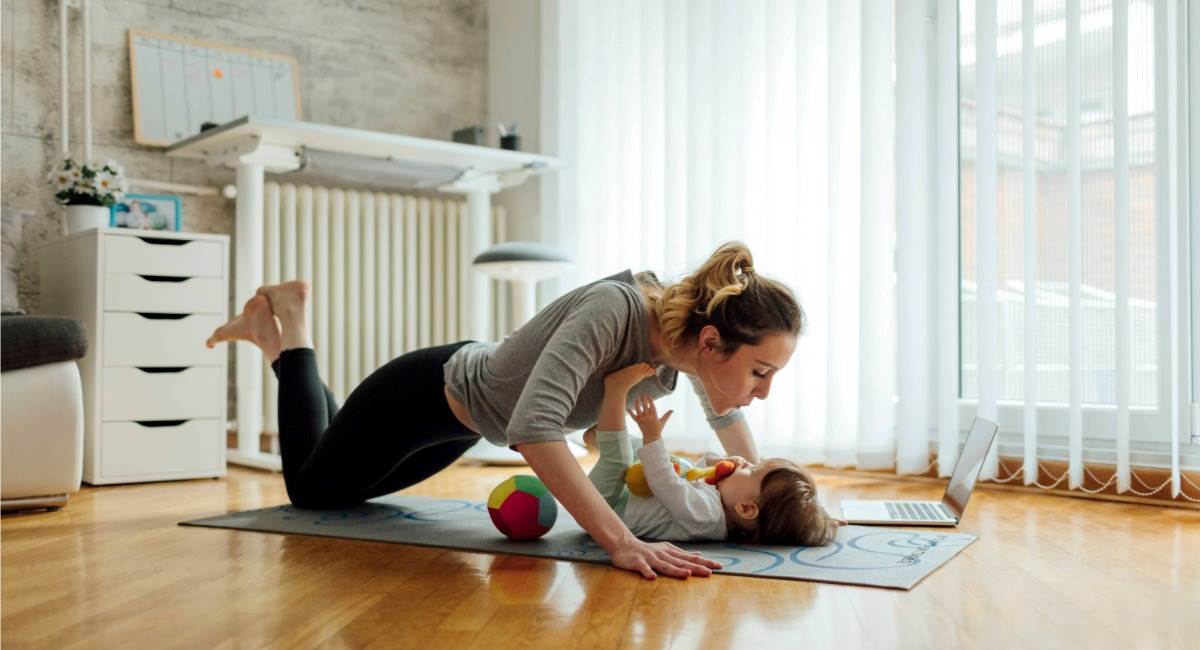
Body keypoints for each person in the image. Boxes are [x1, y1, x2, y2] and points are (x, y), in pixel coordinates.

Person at [205, 241, 803, 580]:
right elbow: (534, 429)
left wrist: (783, 491)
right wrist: (621, 542)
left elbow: (728, 424)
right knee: (312, 491)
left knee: (344, 488)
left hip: (465, 427)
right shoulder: (614, 310)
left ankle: (270, 330)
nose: (763, 391)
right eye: (760, 373)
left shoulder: (686, 342)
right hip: (422, 393)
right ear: (711, 343)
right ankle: (288, 326)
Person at [588, 362, 839, 544]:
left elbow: (666, 483)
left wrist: (652, 436)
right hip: (626, 494)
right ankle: (599, 435)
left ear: (747, 509)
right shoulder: (726, 501)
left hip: (606, 509)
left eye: (751, 470)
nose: (744, 465)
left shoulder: (706, 517)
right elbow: (699, 470)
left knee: (620, 457)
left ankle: (616, 391)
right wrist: (719, 462)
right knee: (655, 456)